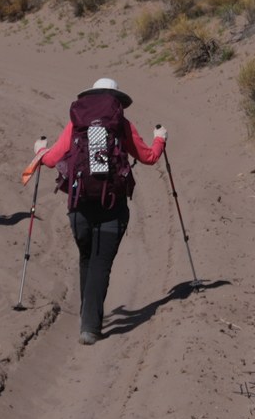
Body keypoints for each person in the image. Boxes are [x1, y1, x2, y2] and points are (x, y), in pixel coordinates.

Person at [21, 78, 166, 345]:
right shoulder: (121, 125)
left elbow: (52, 160)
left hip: (78, 205)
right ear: (117, 101)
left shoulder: (77, 124)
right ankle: (89, 325)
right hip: (113, 205)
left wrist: (40, 150)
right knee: (101, 262)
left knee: (87, 257)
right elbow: (149, 157)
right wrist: (160, 139)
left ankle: (87, 316)